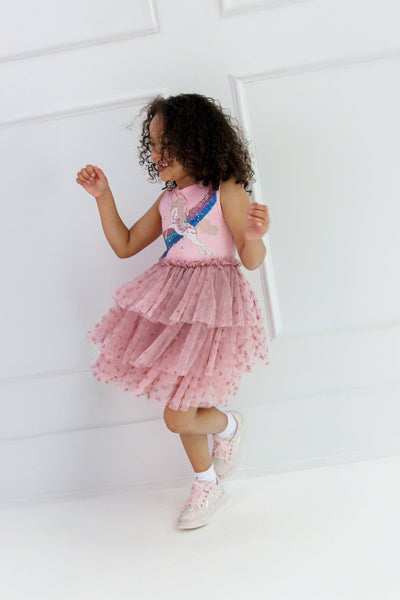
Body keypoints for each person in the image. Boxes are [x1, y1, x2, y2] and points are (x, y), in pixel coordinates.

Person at [76, 93, 270, 530]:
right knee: (182, 404)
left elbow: (250, 259)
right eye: (153, 144)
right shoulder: (168, 201)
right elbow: (125, 244)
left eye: (168, 143)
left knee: (178, 413)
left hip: (211, 311)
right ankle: (208, 479)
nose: (157, 153)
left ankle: (227, 428)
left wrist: (255, 235)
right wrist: (103, 196)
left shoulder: (226, 190)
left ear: (198, 141)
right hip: (172, 308)